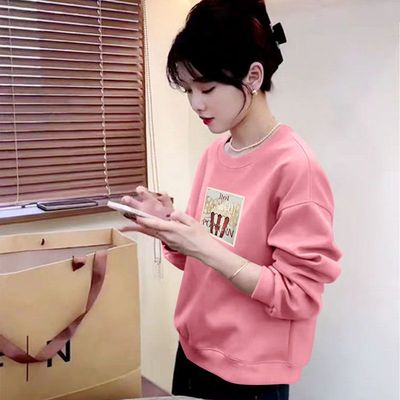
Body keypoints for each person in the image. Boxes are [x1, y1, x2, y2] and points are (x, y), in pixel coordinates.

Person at [121, 0, 343, 399]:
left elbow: (297, 294)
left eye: (207, 88)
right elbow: (201, 260)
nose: (196, 104)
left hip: (250, 375)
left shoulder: (296, 168)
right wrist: (169, 225)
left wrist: (203, 245)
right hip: (193, 352)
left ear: (253, 76)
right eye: (188, 90)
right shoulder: (215, 155)